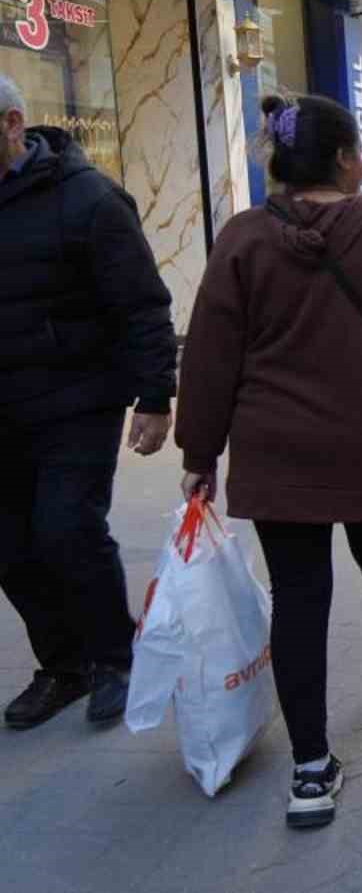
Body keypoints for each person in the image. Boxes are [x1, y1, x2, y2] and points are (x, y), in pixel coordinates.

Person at [177, 94, 362, 828]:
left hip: (276, 452)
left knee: (299, 599)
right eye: (357, 147)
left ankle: (310, 770)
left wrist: (198, 454)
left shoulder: (241, 240)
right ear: (340, 157)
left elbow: (209, 358)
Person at [0, 73, 176, 731]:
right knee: (11, 547)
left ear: (13, 126)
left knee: (67, 529)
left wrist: (157, 395)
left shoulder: (89, 200)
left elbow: (142, 303)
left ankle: (115, 660)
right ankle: (63, 666)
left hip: (77, 401)